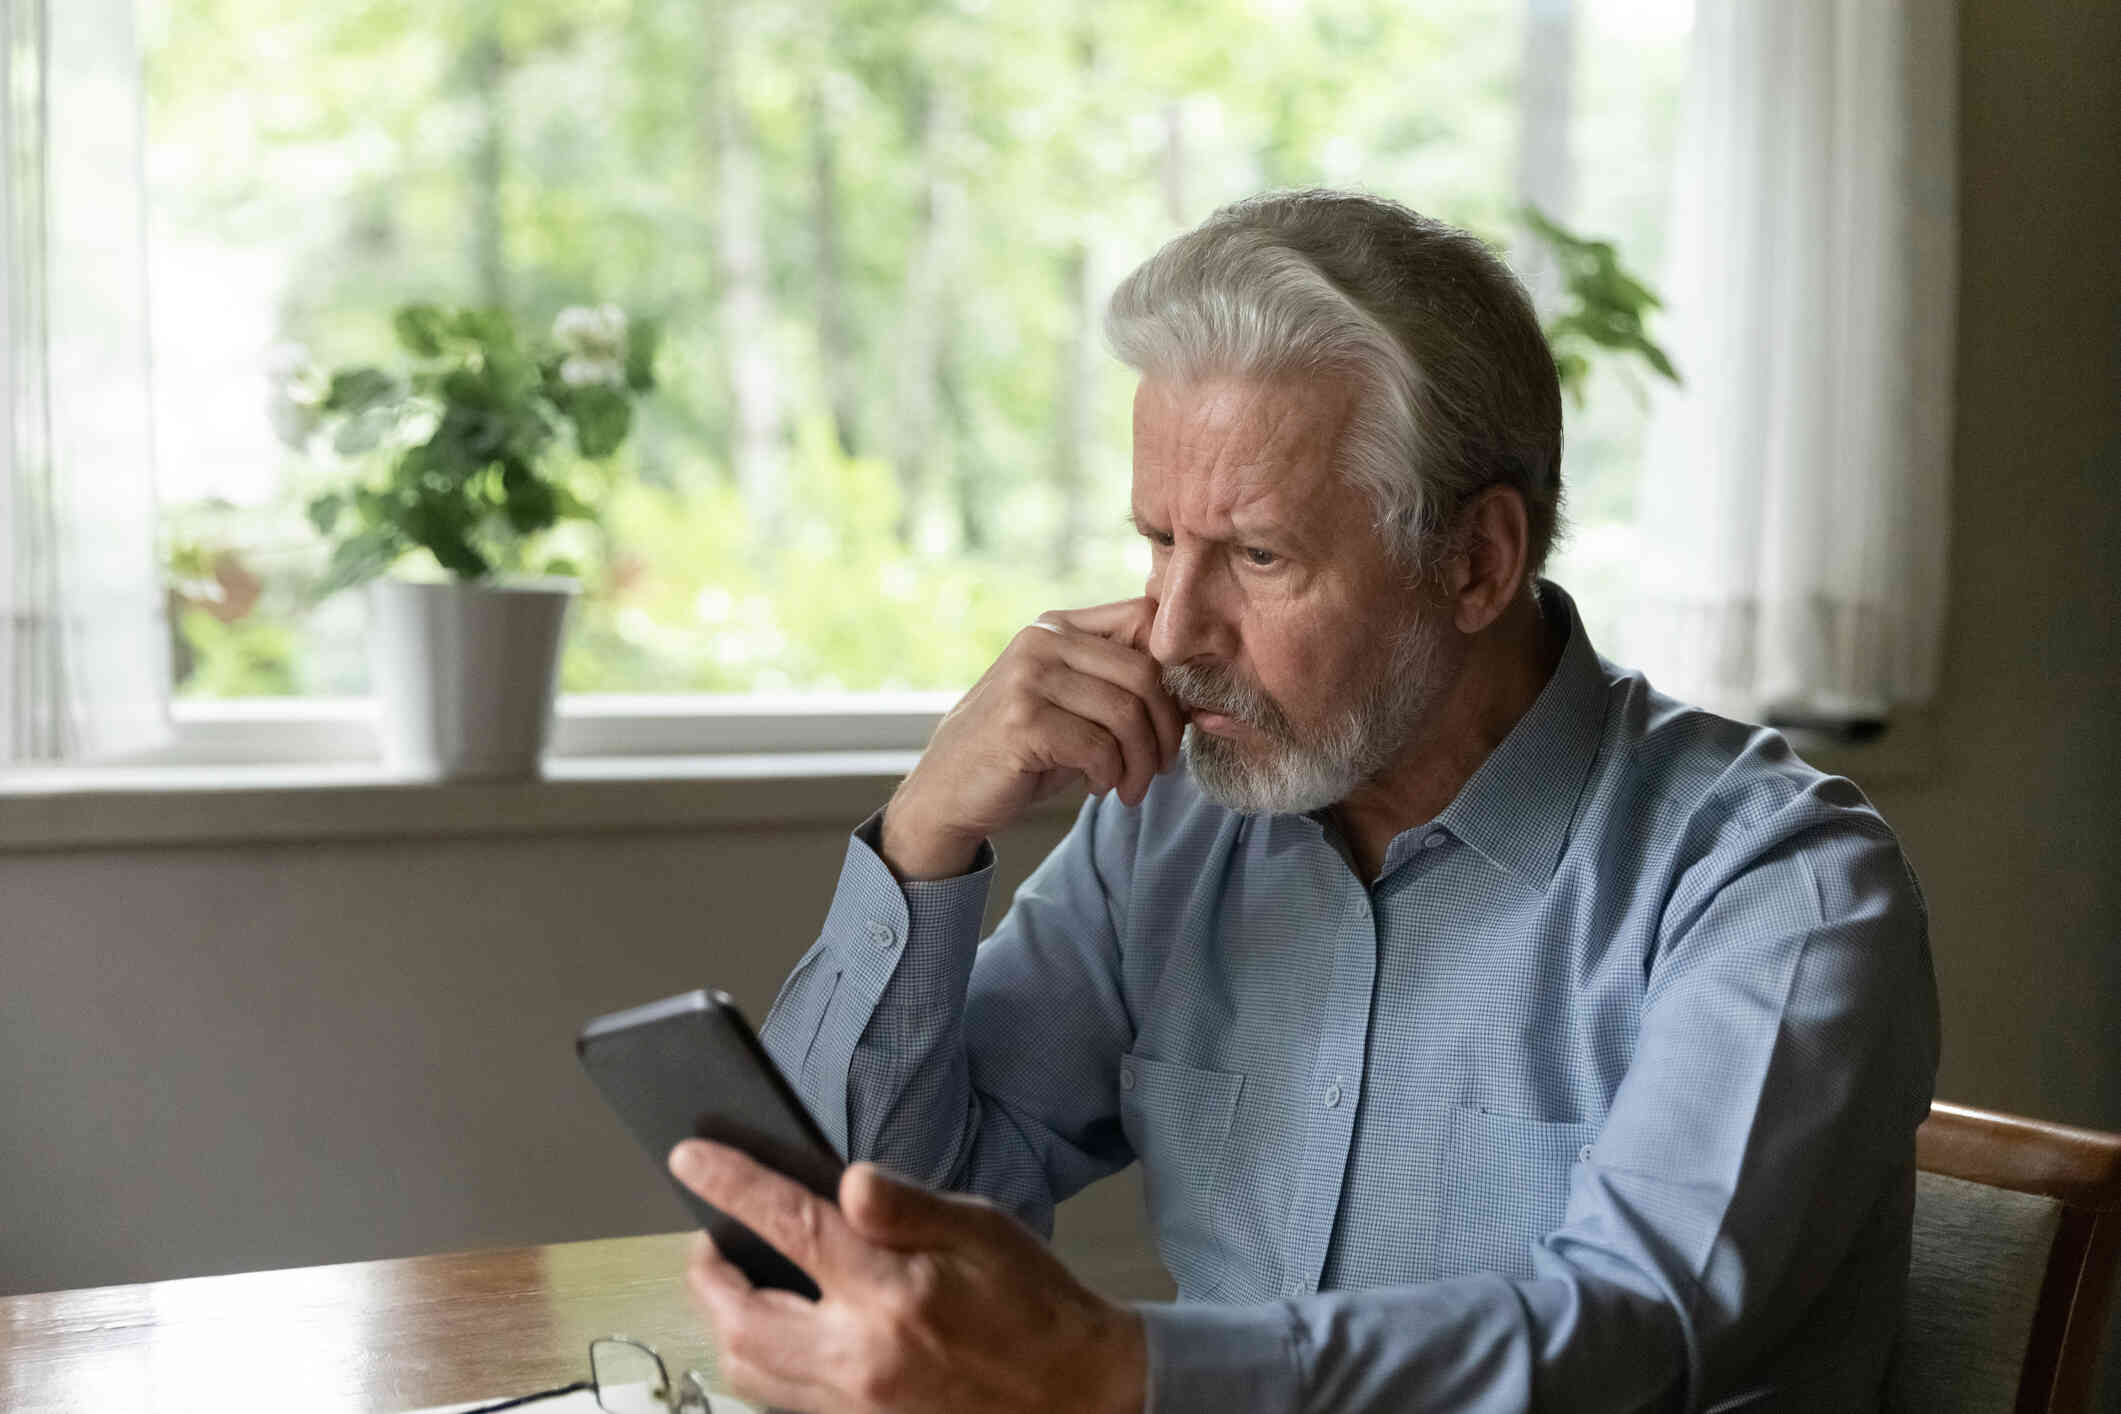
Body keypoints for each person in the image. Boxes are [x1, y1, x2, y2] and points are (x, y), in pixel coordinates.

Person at [665, 189, 1941, 1413]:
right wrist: (925, 839)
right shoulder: (1171, 825)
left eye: (1258, 556)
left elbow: (1638, 1338)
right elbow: (866, 1220)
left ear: (1477, 561)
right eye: (1161, 542)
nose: (1170, 631)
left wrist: (1124, 1374)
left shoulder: (1775, 885)